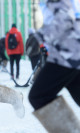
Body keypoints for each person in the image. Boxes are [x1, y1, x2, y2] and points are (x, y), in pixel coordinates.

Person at [28, 0, 80, 132]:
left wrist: (39, 36)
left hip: (68, 53)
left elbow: (65, 19)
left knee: (38, 96)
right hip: (72, 52)